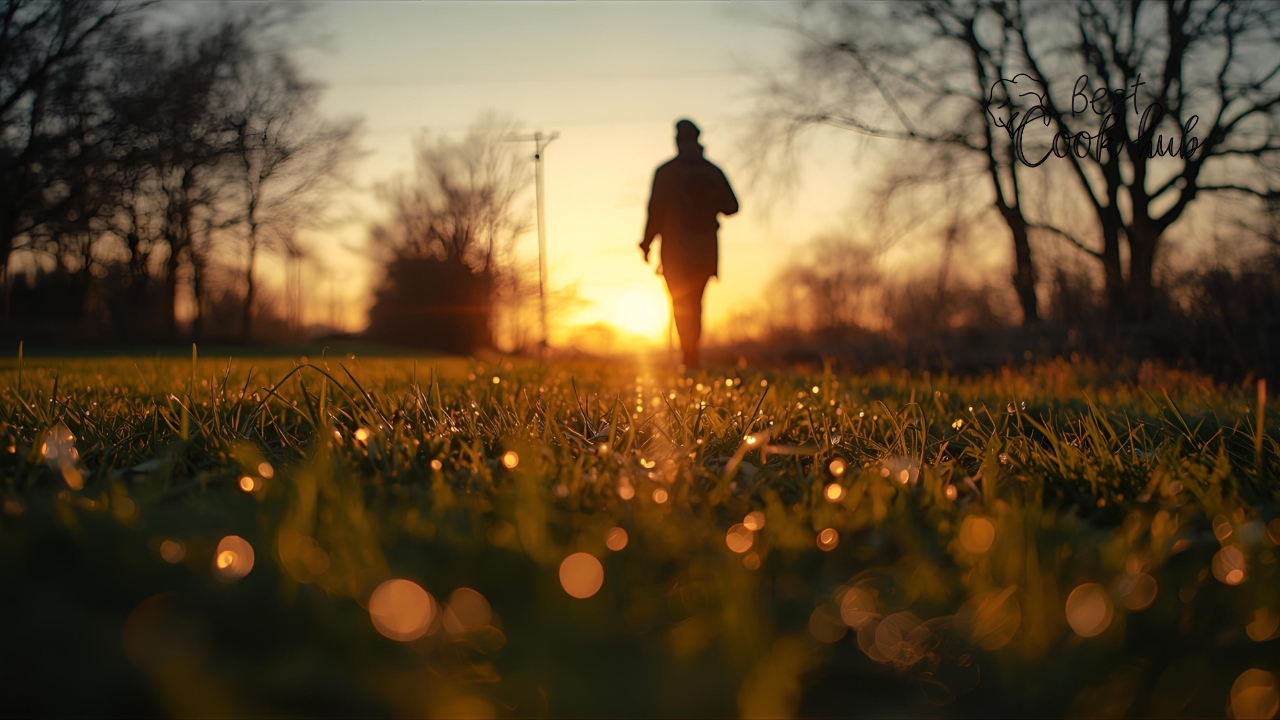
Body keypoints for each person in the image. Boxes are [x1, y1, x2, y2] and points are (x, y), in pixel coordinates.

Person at [640, 119, 738, 369]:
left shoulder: (665, 172)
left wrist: (647, 243)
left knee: (681, 304)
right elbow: (732, 206)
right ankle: (692, 354)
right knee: (695, 303)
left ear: (677, 140)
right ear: (698, 140)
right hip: (705, 251)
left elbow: (655, 211)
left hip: (674, 252)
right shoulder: (712, 170)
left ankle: (689, 354)